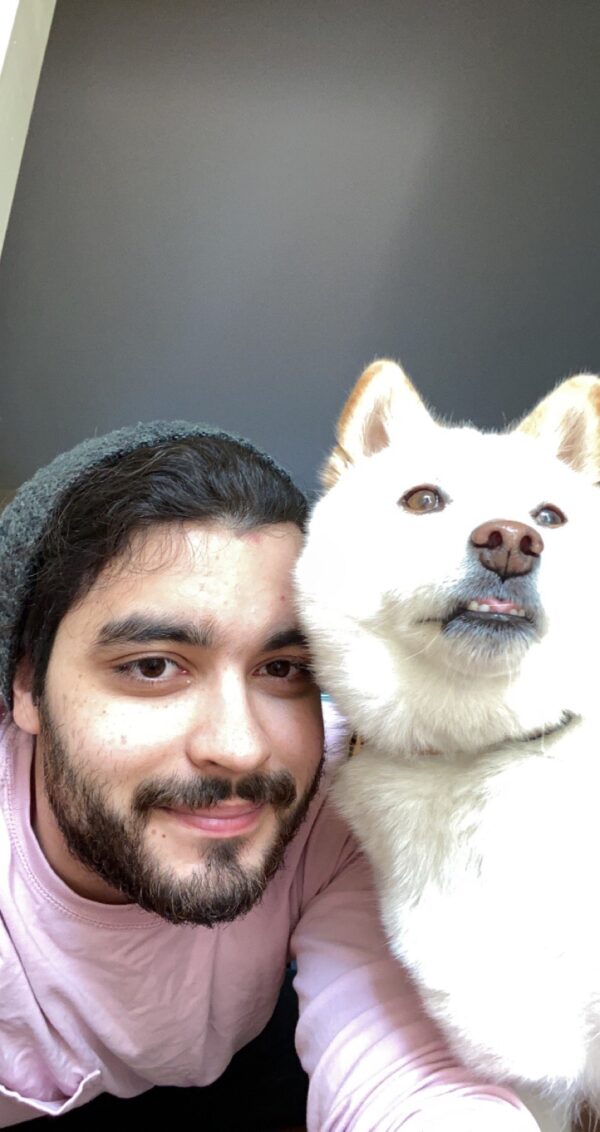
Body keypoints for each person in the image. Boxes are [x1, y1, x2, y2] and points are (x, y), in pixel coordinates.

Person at [0, 419, 539, 1131]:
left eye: (283, 668)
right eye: (153, 666)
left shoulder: (347, 797)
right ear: (26, 687)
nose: (241, 747)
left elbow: (409, 1079)